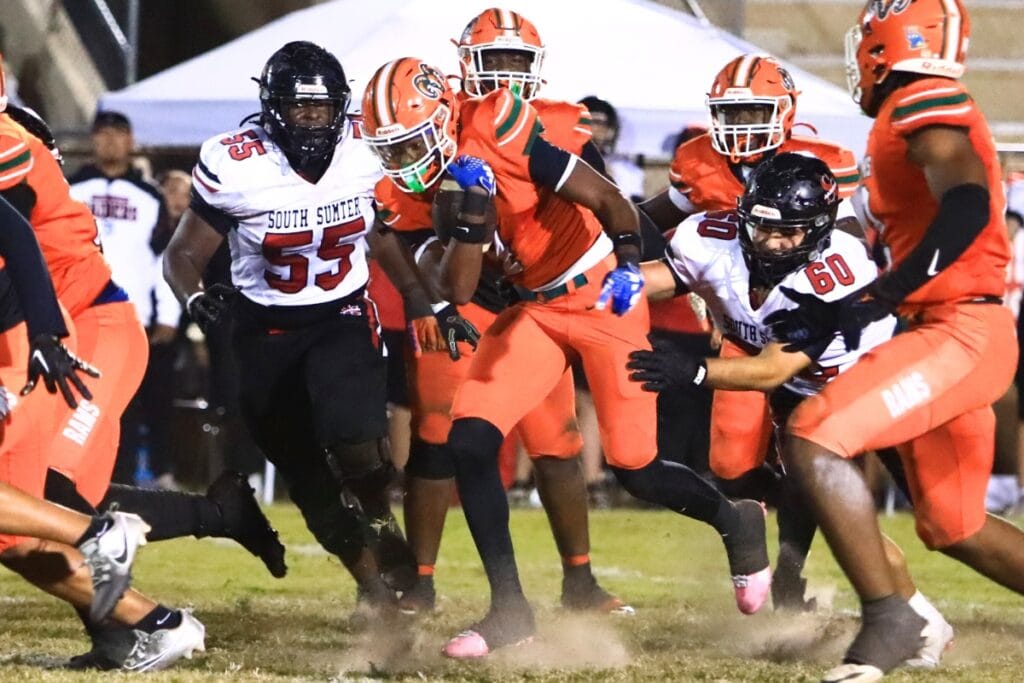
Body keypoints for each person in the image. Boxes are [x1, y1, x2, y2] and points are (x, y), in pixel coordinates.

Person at [361, 57, 772, 658]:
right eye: (391, 151)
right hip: (536, 309)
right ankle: (509, 610)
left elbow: (609, 200)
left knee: (637, 467)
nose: (404, 163)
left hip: (601, 294)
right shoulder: (420, 184)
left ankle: (736, 521)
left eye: (411, 145)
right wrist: (468, 234)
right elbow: (445, 277)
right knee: (469, 438)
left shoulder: (497, 126)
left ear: (444, 118)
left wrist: (630, 264)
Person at [764, 2, 1024, 679]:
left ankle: (891, 618)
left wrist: (886, 290)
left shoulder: (922, 97)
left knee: (814, 432)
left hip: (961, 327)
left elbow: (966, 201)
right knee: (954, 523)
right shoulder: (902, 113)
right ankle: (909, 617)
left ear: (890, 41)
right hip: (947, 324)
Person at [629, 152, 953, 667]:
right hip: (808, 402)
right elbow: (663, 276)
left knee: (949, 524)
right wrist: (596, 284)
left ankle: (918, 615)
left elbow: (769, 369)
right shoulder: (713, 237)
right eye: (762, 228)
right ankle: (918, 620)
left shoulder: (839, 270)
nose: (773, 242)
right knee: (836, 511)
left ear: (820, 228)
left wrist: (692, 371)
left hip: (882, 387)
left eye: (790, 233)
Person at [164, 41, 436, 620]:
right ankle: (370, 588)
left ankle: (380, 517)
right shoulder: (236, 162)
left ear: (340, 106)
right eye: (298, 107)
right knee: (306, 475)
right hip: (261, 331)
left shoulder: (366, 148)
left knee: (354, 437)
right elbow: (181, 254)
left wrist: (417, 297)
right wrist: (196, 300)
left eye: (320, 108)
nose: (311, 119)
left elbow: (380, 229)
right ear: (272, 106)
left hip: (339, 312)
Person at [0, 98, 273, 670]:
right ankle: (140, 617)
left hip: (89, 336)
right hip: (59, 336)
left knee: (46, 502)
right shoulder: (35, 173)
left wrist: (48, 336)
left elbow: (17, 239)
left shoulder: (20, 173)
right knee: (31, 516)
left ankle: (147, 613)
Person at [374, 7, 630, 617]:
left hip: (535, 302)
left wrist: (634, 261)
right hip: (464, 300)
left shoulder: (553, 124)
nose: (506, 78)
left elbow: (600, 198)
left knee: (556, 442)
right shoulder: (434, 125)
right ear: (465, 66)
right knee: (436, 438)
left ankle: (580, 582)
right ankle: (424, 582)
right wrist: (425, 299)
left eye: (519, 62)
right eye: (496, 62)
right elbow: (387, 229)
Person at [636, 54, 863, 605]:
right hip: (741, 327)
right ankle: (778, 509)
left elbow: (841, 253)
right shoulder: (700, 163)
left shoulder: (823, 164)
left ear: (785, 112)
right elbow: (645, 220)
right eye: (730, 113)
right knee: (731, 466)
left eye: (753, 112)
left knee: (810, 460)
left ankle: (794, 568)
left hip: (806, 333)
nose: (740, 126)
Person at [0, 192, 153, 627]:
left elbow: (15, 231)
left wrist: (45, 335)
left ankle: (102, 534)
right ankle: (153, 626)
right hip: (31, 334)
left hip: (29, 342)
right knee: (12, 536)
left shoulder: (13, 145)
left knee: (51, 490)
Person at [68, 111, 182, 487]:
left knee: (132, 406)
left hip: (134, 317)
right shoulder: (71, 189)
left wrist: (168, 313)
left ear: (131, 141)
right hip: (79, 314)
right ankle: (74, 478)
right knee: (81, 404)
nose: (111, 141)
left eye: (119, 134)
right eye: (103, 133)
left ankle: (128, 482)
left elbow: (162, 257)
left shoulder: (150, 196)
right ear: (93, 140)